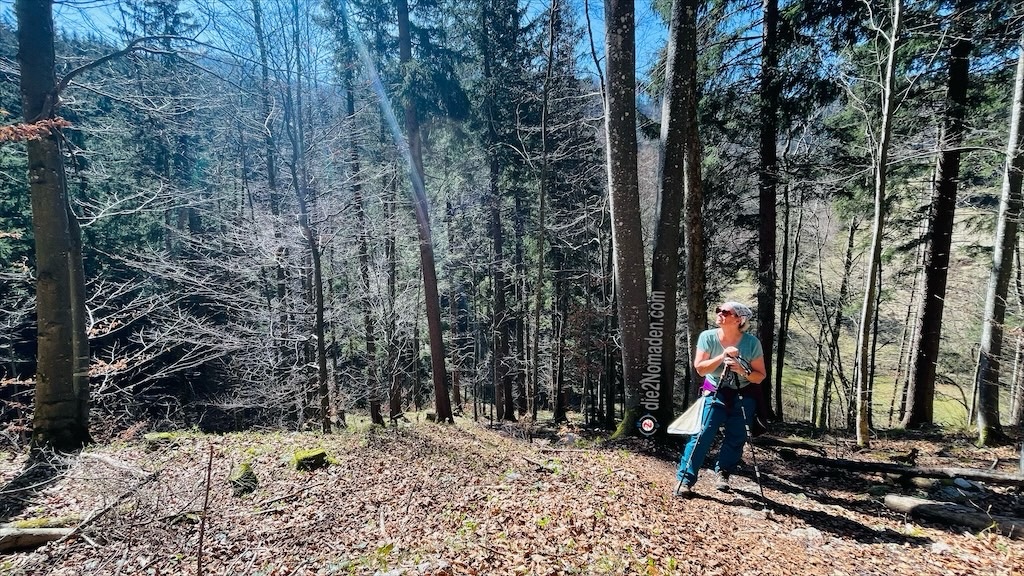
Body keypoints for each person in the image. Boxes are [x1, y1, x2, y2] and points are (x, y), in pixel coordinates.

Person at [675, 301, 766, 498]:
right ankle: (685, 480)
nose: (719, 314)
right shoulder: (708, 337)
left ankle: (723, 472)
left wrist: (742, 370)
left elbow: (760, 376)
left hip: (744, 393)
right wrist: (722, 357)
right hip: (714, 391)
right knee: (702, 434)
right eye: (719, 310)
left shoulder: (752, 343)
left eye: (725, 312)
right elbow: (700, 369)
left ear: (739, 319)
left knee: (737, 437)